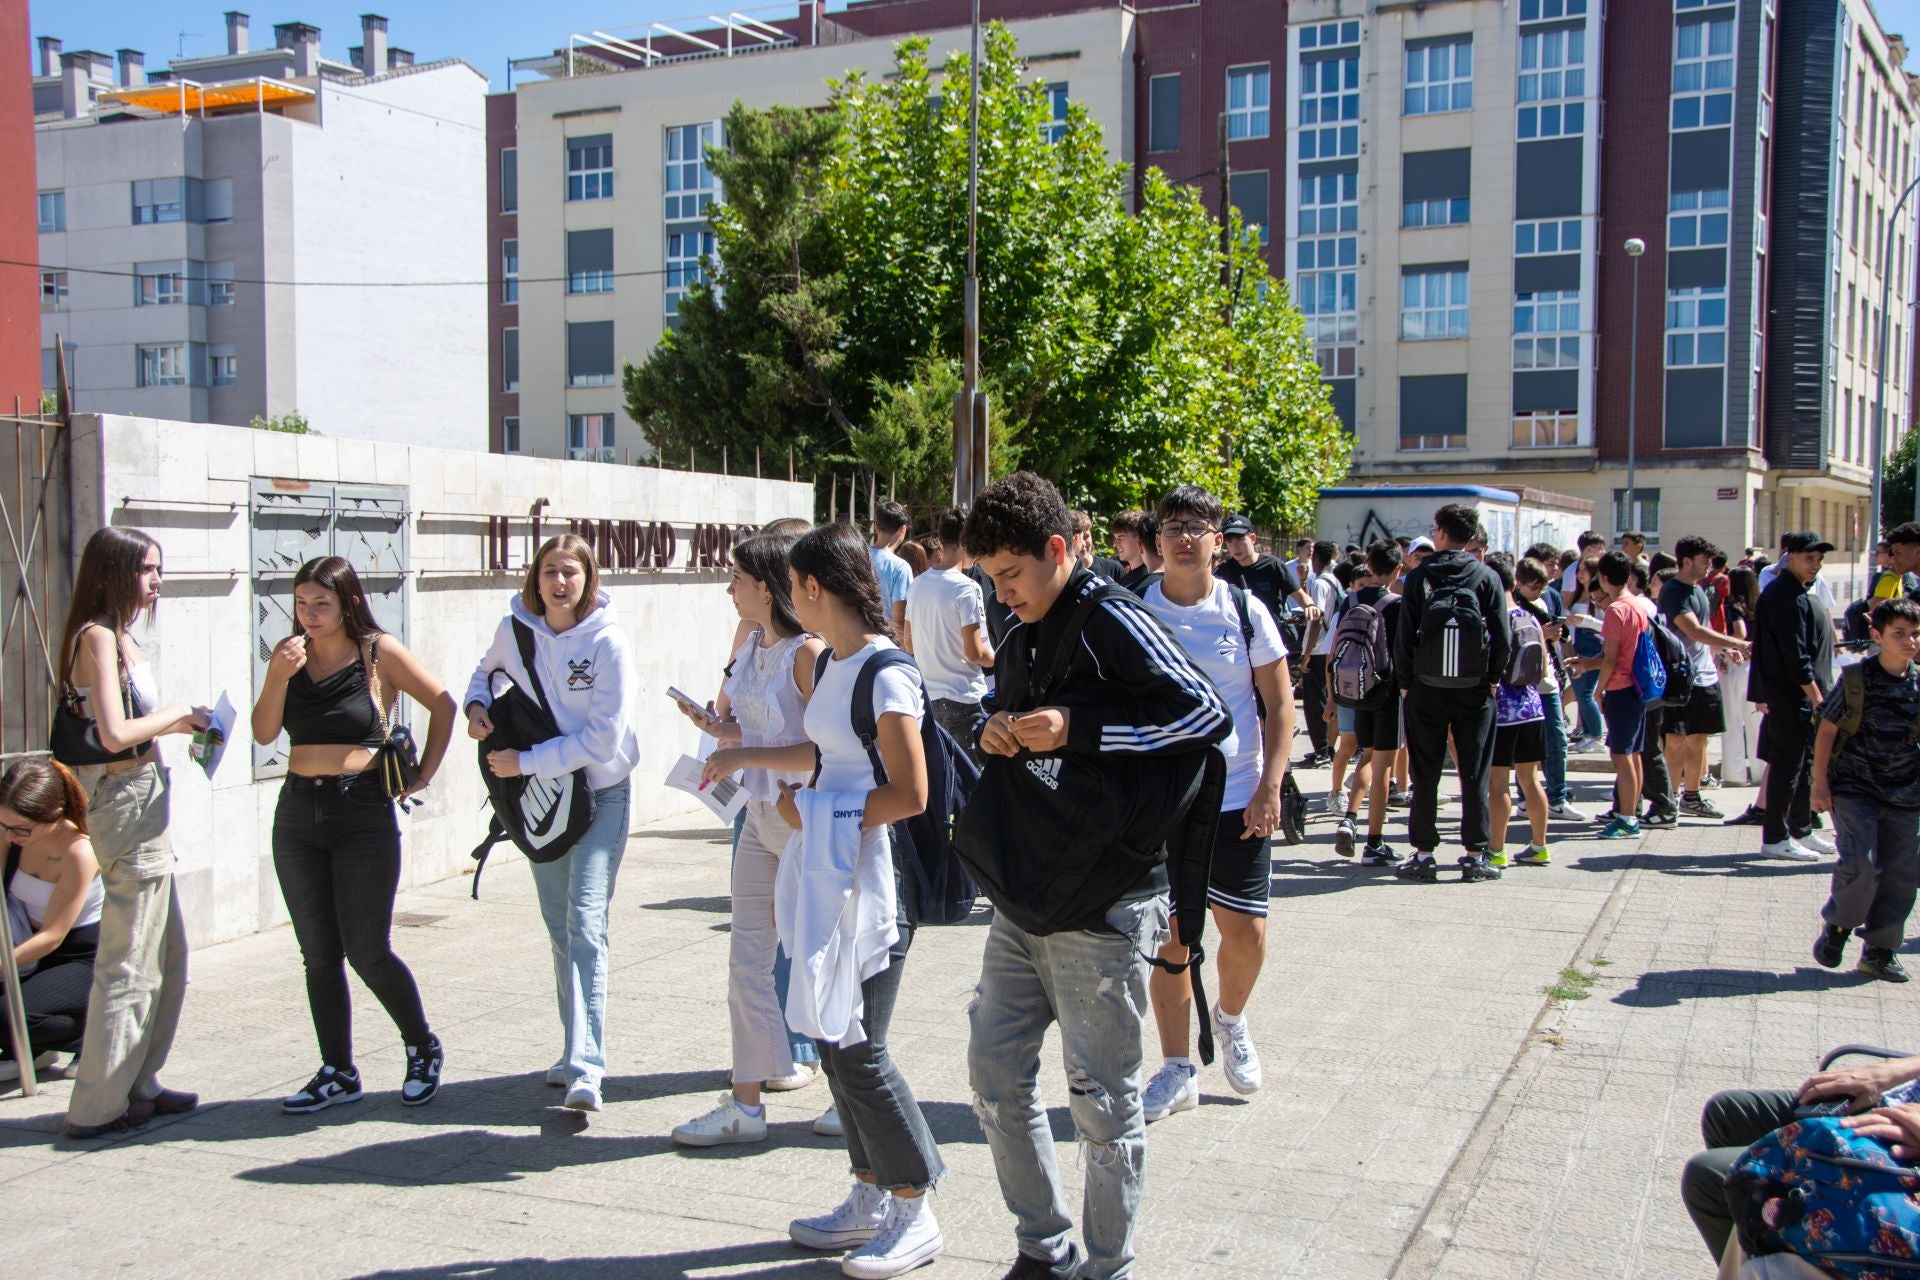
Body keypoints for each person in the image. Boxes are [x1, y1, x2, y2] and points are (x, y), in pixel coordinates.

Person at [963, 472, 1229, 1280]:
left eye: (1011, 576)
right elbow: (995, 710)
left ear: (1056, 551)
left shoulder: (1114, 616)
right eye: (992, 581)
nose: (1003, 596)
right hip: (1026, 893)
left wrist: (1078, 727)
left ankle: (1106, 1264)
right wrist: (998, 729)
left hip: (1106, 903)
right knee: (995, 1075)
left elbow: (1202, 713)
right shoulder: (1021, 631)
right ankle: (1041, 1247)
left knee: (1104, 1103)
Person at [778, 521, 947, 1278]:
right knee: (831, 1036)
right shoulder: (837, 664)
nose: (788, 601)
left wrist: (813, 812)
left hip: (880, 877)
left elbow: (911, 794)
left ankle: (915, 1203)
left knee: (859, 1044)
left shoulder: (886, 671)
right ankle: (870, 1191)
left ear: (815, 587)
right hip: (834, 870)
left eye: (791, 586)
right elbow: (834, 760)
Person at [250, 557, 455, 1115]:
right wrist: (276, 675)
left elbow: (443, 703)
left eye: (321, 604)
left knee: (367, 949)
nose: (309, 615)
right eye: (300, 604)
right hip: (296, 812)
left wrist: (422, 777)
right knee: (318, 953)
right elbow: (264, 732)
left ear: (347, 603)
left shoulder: (377, 651)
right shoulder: (288, 657)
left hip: (361, 809)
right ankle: (338, 1070)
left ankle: (421, 1046)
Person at [465, 534, 640, 1112]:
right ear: (534, 580)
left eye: (570, 572)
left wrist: (528, 761)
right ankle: (573, 1049)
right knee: (559, 928)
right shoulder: (514, 631)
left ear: (589, 578)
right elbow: (482, 674)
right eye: (549, 572)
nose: (559, 583)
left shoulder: (608, 643)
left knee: (586, 921)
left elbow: (604, 739)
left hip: (600, 795)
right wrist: (477, 709)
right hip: (543, 801)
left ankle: (588, 1067)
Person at [1139, 485, 1294, 1121]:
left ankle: (1229, 1020)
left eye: (1197, 526)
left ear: (1216, 539)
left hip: (1237, 796)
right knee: (1170, 938)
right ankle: (1177, 1067)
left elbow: (1280, 704)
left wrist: (1270, 786)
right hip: (1161, 802)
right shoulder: (1133, 607)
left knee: (1246, 931)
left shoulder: (1246, 609)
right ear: (1156, 540)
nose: (1184, 537)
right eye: (1172, 526)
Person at [671, 534, 826, 1146]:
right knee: (747, 960)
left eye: (734, 576)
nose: (728, 587)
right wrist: (720, 730)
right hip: (759, 816)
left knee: (819, 960)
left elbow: (822, 746)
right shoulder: (755, 645)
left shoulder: (808, 654)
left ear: (766, 585)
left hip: (799, 819)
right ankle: (746, 1101)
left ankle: (855, 1093)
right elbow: (757, 725)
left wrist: (745, 753)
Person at [55, 528, 209, 1139]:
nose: (157, 581)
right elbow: (115, 735)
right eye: (148, 569)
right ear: (115, 571)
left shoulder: (120, 636)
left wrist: (180, 728)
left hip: (144, 795)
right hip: (122, 798)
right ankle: (97, 1106)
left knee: (168, 953)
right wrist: (176, 714)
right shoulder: (95, 635)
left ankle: (140, 1079)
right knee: (129, 961)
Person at [1681, 1055, 1920, 1263]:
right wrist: (1894, 1069)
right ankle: (1766, 1251)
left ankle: (1777, 1254)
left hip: (1905, 1164)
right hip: (1897, 1107)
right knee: (1727, 1114)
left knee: (1710, 1174)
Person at [1394, 504, 1512, 883]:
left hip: (1426, 687)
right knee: (1474, 772)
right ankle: (1476, 855)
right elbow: (1504, 639)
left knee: (1425, 772)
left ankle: (1424, 854)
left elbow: (1403, 637)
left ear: (1440, 533)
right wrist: (1492, 678)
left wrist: (1407, 683)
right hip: (1475, 691)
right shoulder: (1486, 576)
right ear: (1470, 537)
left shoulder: (1419, 578)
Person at [1810, 597, 1920, 982]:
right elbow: (1827, 730)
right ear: (1877, 636)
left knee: (1904, 872)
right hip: (1855, 789)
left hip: (1906, 792)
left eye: (1915, 635)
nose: (1910, 642)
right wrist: (1819, 783)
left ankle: (1880, 950)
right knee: (1861, 864)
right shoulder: (1857, 679)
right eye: (1899, 634)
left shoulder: (1918, 683)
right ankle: (1838, 926)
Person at [0, 759, 101, 1082]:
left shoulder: (78, 851)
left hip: (78, 955)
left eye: (21, 829)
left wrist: (3, 964)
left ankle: (90, 1035)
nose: (11, 835)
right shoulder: (10, 834)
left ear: (55, 813)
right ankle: (29, 1047)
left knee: (11, 1014)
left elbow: (54, 935)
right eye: (3, 825)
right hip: (26, 946)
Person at [1749, 532, 1839, 862]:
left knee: (1802, 766)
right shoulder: (1784, 596)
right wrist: (1817, 698)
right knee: (1787, 767)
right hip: (1788, 696)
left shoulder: (1796, 593)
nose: (1814, 565)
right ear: (1790, 557)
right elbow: (1794, 656)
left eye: (1818, 560)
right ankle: (1775, 836)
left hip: (1796, 696)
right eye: (1808, 558)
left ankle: (1800, 829)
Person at [1659, 537, 1750, 822]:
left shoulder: (1697, 590)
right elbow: (1694, 630)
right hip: (1681, 678)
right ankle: (1669, 800)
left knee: (1699, 738)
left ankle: (1692, 797)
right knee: (1675, 739)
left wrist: (1723, 651)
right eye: (1703, 560)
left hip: (1705, 675)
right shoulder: (1674, 592)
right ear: (1686, 561)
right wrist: (1736, 643)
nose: (1708, 565)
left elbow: (1705, 631)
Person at [1331, 540, 1405, 864]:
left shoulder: (1351, 599)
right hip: (1387, 693)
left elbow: (1335, 649)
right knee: (1383, 766)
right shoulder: (1397, 604)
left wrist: (1333, 696)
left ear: (1369, 567)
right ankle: (1375, 842)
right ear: (1398, 570)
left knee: (1365, 757)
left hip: (1356, 690)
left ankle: (1349, 817)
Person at [903, 508, 994, 766]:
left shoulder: (917, 584)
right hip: (965, 699)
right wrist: (1002, 660)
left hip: (929, 701)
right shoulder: (967, 587)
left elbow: (908, 642)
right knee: (974, 784)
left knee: (945, 784)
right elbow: (976, 652)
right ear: (967, 541)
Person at [1569, 552, 1647, 841]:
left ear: (1603, 578)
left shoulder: (1616, 610)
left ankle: (1627, 818)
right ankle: (1631, 813)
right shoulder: (1636, 605)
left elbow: (1612, 659)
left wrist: (1598, 690)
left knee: (1621, 755)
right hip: (1636, 687)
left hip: (1621, 687)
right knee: (1633, 754)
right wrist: (1589, 663)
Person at [1485, 555, 1550, 867]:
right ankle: (1539, 845)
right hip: (1533, 708)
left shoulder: (1493, 620)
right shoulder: (1530, 618)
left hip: (1502, 714)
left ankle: (1496, 851)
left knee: (1498, 783)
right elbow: (1544, 667)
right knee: (1530, 779)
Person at [1513, 557, 1584, 824]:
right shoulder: (1514, 604)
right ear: (1519, 584)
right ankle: (1525, 800)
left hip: (1549, 678)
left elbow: (1561, 633)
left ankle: (1556, 797)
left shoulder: (1548, 598)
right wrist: (1542, 634)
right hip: (1526, 682)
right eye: (1534, 588)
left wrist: (1564, 645)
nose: (1539, 593)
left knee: (1556, 740)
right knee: (1527, 747)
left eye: (1542, 588)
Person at [1216, 514, 1309, 625]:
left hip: (1272, 633)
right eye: (1230, 542)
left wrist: (1311, 607)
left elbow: (1300, 596)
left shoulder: (1273, 565)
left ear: (1253, 538)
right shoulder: (1224, 569)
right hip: (1238, 636)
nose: (1235, 547)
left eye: (1240, 540)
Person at [1298, 540, 1341, 769]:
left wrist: (1306, 653)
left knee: (1315, 703)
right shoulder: (1333, 581)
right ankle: (1325, 748)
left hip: (1318, 649)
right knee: (1324, 699)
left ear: (1315, 557)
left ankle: (1321, 751)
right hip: (1328, 646)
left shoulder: (1321, 583)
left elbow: (1316, 619)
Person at [869, 501, 915, 635]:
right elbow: (900, 619)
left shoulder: (858, 556)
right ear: (902, 529)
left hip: (856, 641)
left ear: (876, 527)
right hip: (886, 643)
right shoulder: (900, 567)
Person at [1069, 509, 1124, 580]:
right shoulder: (1065, 576)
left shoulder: (1114, 569)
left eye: (1086, 537)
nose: (1083, 543)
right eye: (1076, 538)